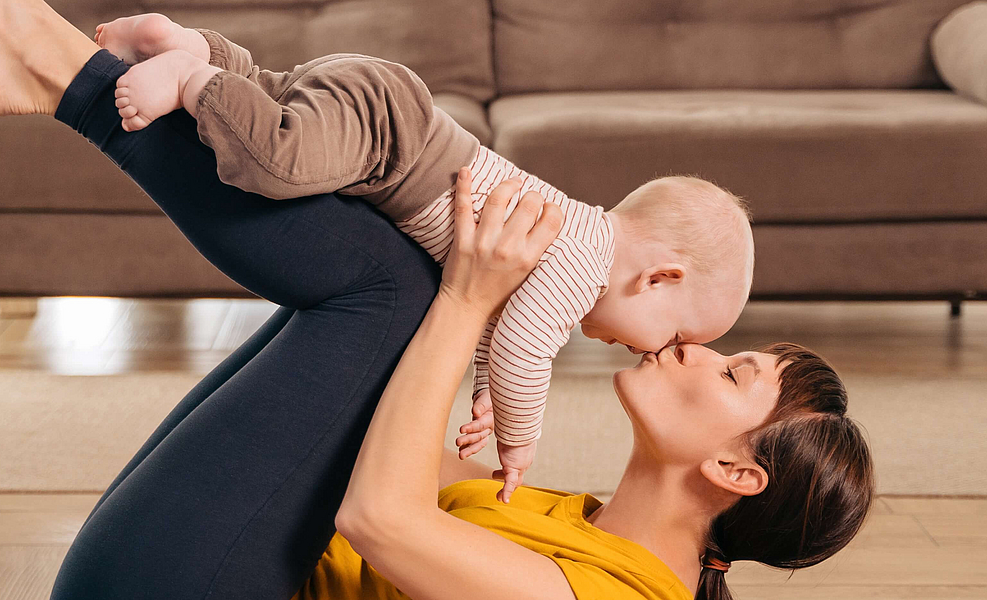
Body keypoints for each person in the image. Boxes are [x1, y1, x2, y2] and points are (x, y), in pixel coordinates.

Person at [0, 0, 873, 598]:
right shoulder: (574, 521)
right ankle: (24, 41)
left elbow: (380, 520)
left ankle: (57, 67)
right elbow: (410, 444)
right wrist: (475, 309)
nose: (696, 350)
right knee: (401, 279)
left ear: (737, 472)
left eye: (734, 368)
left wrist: (469, 300)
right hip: (207, 564)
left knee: (399, 290)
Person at [93, 15, 756, 499]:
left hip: (385, 115)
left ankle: (198, 48)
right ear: (660, 276)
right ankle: (194, 75)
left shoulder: (574, 244)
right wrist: (519, 439)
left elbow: (496, 322)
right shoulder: (585, 266)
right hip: (391, 136)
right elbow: (526, 351)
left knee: (278, 107)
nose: (654, 353)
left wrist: (490, 396)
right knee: (273, 161)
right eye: (669, 337)